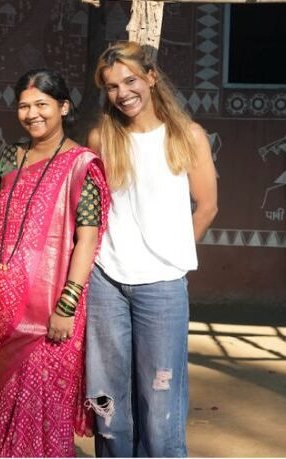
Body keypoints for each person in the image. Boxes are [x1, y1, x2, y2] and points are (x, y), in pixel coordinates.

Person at [86, 41, 218, 457]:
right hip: (106, 281)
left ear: (151, 77)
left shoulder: (187, 136)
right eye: (111, 86)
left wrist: (172, 255)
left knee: (160, 402)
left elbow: (208, 205)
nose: (122, 92)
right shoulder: (101, 137)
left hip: (162, 287)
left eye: (130, 81)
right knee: (107, 400)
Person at [0, 69, 110, 457]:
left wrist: (66, 306)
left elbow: (88, 238)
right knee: (2, 408)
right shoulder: (9, 156)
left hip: (51, 312)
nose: (32, 113)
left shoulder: (81, 164)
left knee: (43, 415)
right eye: (24, 105)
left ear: (63, 107)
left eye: (42, 104)